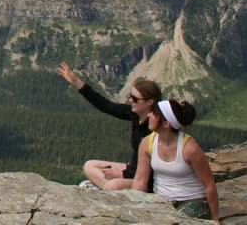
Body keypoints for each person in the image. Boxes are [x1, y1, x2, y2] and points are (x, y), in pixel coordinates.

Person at [57, 61, 161, 190]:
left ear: (149, 102)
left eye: (135, 99)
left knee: (112, 185)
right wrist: (76, 82)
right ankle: (107, 188)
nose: (130, 101)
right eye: (130, 96)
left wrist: (121, 176)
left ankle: (107, 189)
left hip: (146, 180)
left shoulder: (157, 127)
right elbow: (105, 105)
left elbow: (151, 170)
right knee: (89, 166)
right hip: (131, 170)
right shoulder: (134, 114)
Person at [132, 99, 220, 223]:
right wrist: (135, 207)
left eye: (155, 114)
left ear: (166, 123)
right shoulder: (147, 143)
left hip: (192, 201)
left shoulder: (189, 148)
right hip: (161, 202)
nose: (149, 115)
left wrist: (215, 219)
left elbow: (209, 184)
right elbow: (140, 181)